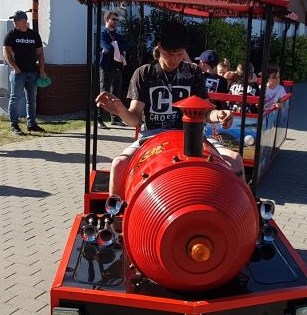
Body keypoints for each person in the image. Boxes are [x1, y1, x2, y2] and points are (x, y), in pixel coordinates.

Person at [96, 21, 241, 197]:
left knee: (235, 160)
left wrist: (219, 114)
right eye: (169, 54)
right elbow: (135, 118)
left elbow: (205, 112)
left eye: (179, 54)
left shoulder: (193, 73)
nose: (174, 60)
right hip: (152, 137)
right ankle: (116, 212)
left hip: (191, 137)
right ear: (159, 47)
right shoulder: (144, 73)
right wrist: (121, 111)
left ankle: (242, 210)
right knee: (119, 164)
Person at [3, 10, 46, 135]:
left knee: (31, 99)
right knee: (15, 99)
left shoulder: (34, 35)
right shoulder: (11, 35)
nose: (14, 22)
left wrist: (42, 70)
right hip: (18, 73)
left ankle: (31, 124)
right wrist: (14, 67)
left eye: (15, 20)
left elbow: (40, 54)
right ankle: (14, 125)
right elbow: (6, 52)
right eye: (13, 20)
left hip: (32, 72)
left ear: (23, 21)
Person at [98, 10, 129, 128]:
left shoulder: (117, 35)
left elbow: (127, 45)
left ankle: (115, 118)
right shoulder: (102, 34)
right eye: (113, 19)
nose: (116, 22)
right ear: (107, 20)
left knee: (116, 94)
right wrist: (115, 46)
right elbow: (107, 47)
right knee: (104, 93)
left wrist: (115, 45)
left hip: (118, 67)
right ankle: (99, 119)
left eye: (117, 20)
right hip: (106, 68)